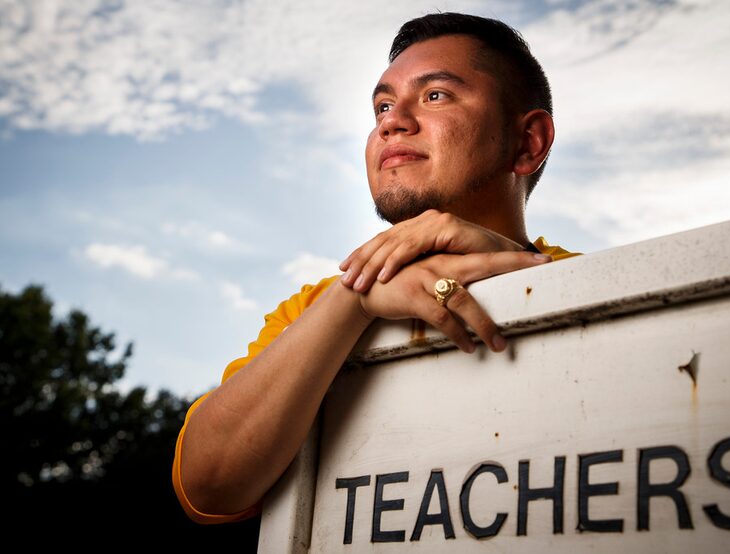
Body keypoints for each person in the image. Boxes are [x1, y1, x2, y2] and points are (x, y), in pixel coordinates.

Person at [172, 12, 578, 524]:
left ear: (528, 143)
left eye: (435, 95)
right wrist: (355, 298)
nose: (391, 121)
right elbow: (208, 487)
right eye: (383, 105)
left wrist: (521, 283)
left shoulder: (613, 284)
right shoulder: (312, 309)